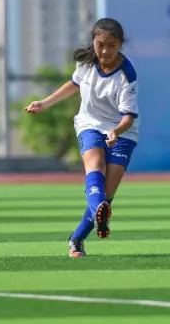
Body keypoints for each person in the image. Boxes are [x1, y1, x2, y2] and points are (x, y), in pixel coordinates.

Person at [24, 18, 139, 258]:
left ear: (120, 45)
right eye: (100, 45)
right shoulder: (86, 63)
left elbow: (128, 118)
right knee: (95, 166)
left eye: (112, 46)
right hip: (89, 124)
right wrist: (45, 103)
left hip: (122, 131)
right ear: (93, 42)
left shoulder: (127, 75)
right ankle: (100, 213)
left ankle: (77, 238)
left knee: (107, 192)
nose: (105, 51)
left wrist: (115, 132)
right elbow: (73, 85)